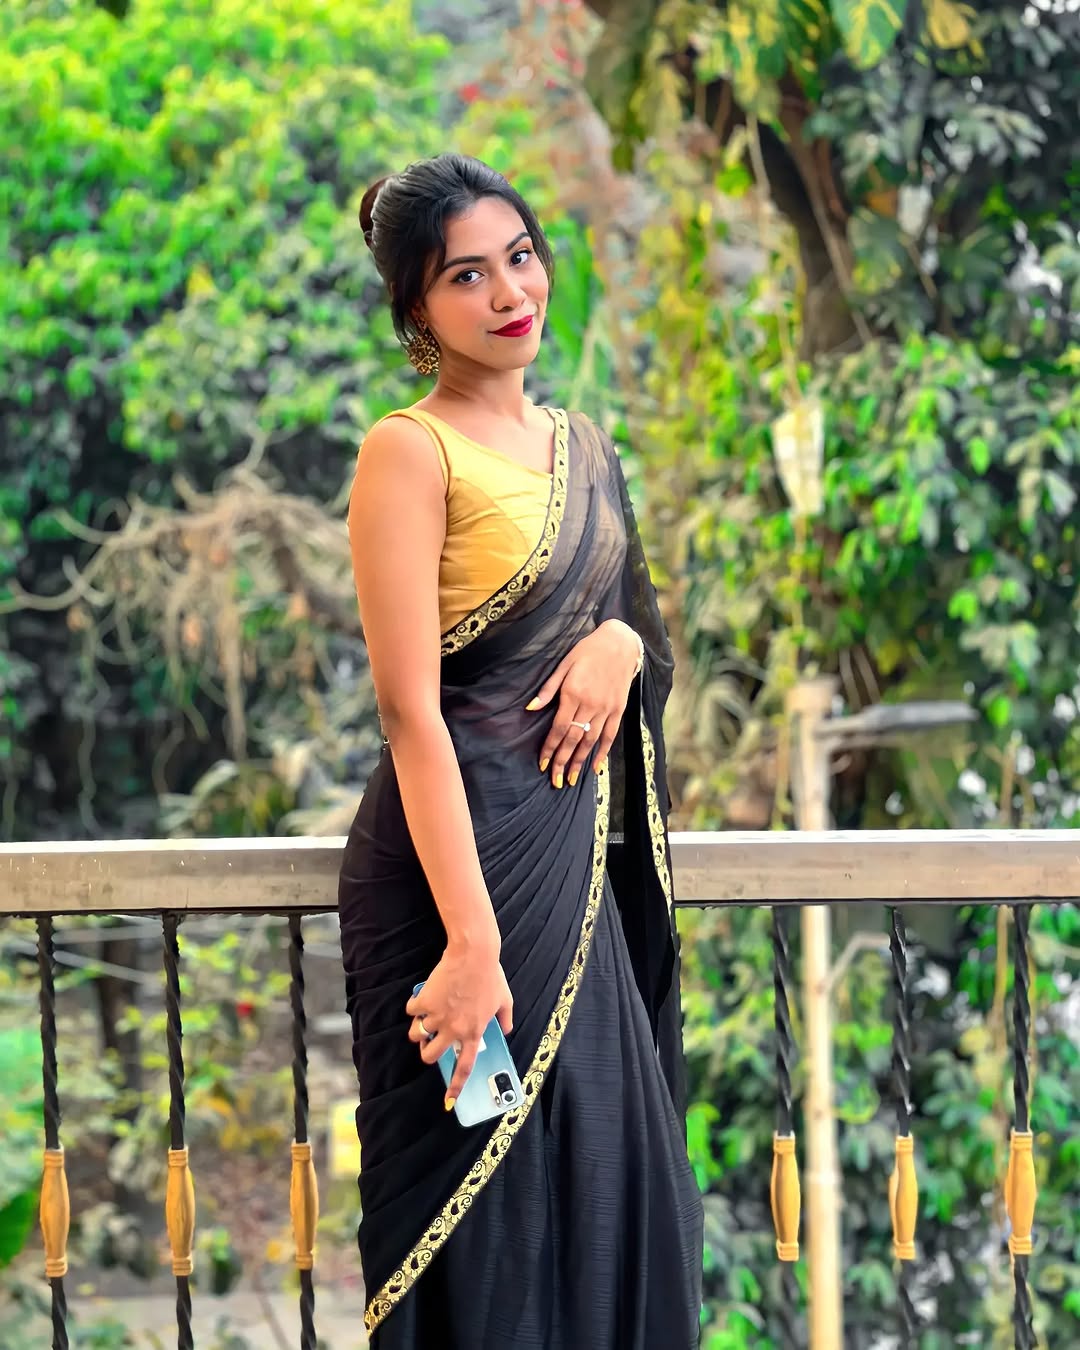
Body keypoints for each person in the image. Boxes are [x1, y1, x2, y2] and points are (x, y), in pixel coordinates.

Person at [338, 152, 703, 1350]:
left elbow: (640, 629)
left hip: (574, 882)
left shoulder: (584, 447)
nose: (508, 293)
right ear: (416, 307)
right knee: (483, 1240)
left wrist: (619, 646)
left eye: (521, 257)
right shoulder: (409, 451)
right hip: (455, 891)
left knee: (613, 1194)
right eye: (466, 275)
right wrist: (472, 942)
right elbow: (410, 712)